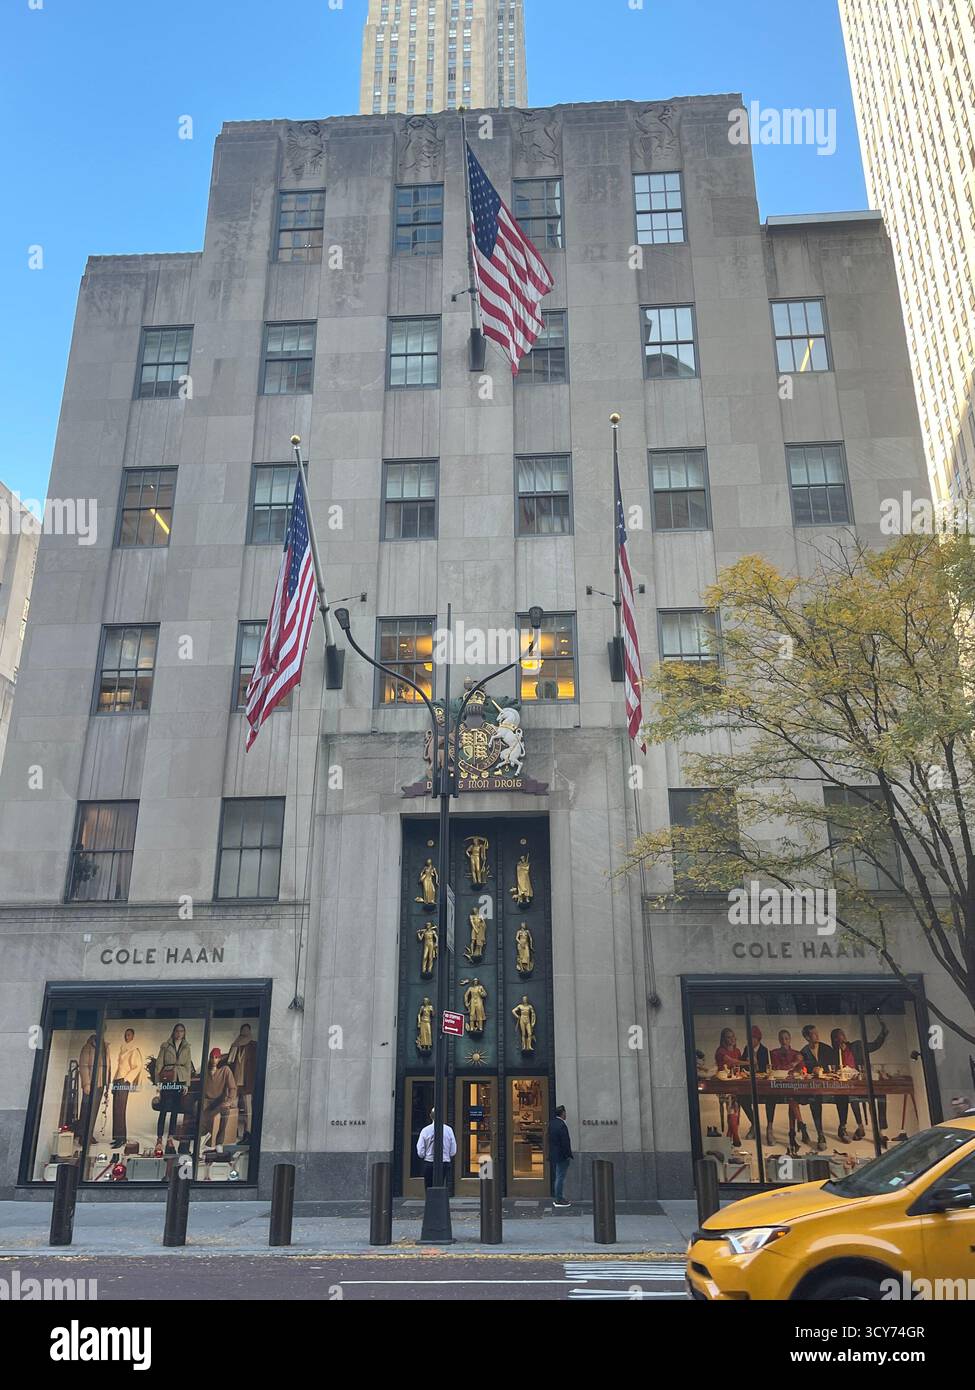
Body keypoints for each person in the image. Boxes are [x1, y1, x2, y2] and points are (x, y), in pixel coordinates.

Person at [830, 1023, 889, 1142]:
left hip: (862, 1081)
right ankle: (860, 1127)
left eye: (842, 1034)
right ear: (834, 1040)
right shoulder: (834, 1053)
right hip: (849, 1085)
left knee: (881, 1094)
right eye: (838, 1036)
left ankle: (880, 1131)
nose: (842, 1037)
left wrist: (883, 1033)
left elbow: (874, 1045)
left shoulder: (857, 1046)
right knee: (852, 1097)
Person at [769, 1028, 811, 1152]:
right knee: (792, 1099)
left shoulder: (796, 1053)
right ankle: (801, 1126)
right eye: (781, 1038)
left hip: (794, 1087)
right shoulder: (774, 1053)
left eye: (786, 1038)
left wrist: (798, 1068)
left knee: (792, 1099)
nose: (784, 1041)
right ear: (778, 1040)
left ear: (790, 1039)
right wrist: (794, 1064)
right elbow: (777, 1069)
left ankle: (792, 1135)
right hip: (780, 1086)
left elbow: (803, 1070)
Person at [154, 1023, 194, 1147]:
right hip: (167, 1079)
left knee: (175, 1109)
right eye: (177, 1031)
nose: (179, 1033)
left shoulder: (187, 1047)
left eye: (181, 1031)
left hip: (180, 1079)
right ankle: (159, 1138)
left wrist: (186, 1084)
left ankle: (170, 1138)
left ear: (184, 1033)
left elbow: (187, 1066)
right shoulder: (165, 1046)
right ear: (173, 1032)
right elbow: (159, 1064)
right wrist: (158, 1083)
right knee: (164, 1108)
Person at [800, 1025, 837, 1151]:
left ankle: (842, 1128)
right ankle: (820, 1134)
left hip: (829, 1084)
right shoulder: (804, 1051)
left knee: (843, 1096)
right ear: (807, 1037)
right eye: (813, 1033)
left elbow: (834, 1066)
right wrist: (811, 1070)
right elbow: (803, 1069)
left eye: (817, 1032)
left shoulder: (827, 1049)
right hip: (814, 1086)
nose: (817, 1035)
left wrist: (823, 1070)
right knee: (814, 1100)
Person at [715, 1027, 744, 1147]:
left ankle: (729, 1134)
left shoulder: (737, 1051)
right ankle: (735, 1135)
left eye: (733, 1036)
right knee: (732, 1103)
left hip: (735, 1083)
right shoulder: (720, 1051)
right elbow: (732, 1062)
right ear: (724, 1039)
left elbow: (739, 1069)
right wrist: (750, 1062)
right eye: (728, 1037)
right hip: (723, 1084)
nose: (731, 1039)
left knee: (736, 1105)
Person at [416, 1108, 457, 1189]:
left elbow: (420, 1151)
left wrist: (425, 1155)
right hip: (444, 1161)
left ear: (431, 1116)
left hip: (429, 1162)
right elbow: (453, 1150)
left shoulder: (425, 1130)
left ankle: (430, 1200)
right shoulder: (449, 1130)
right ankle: (441, 1199)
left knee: (429, 1186)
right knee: (441, 1185)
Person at [548, 1105, 574, 1208]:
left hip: (554, 1154)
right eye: (565, 1112)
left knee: (558, 1176)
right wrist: (568, 1154)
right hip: (561, 1155)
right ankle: (559, 1199)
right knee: (560, 1177)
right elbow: (565, 1142)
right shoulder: (562, 1125)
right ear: (562, 1113)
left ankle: (558, 1197)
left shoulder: (552, 1124)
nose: (566, 1114)